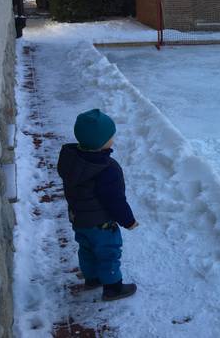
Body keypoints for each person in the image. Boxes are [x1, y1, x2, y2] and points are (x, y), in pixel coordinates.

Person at [57, 109, 138, 301]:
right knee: (108, 253)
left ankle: (92, 279)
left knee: (86, 249)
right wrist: (128, 221)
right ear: (102, 141)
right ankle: (113, 288)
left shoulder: (71, 160)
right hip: (101, 224)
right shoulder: (107, 168)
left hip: (79, 219)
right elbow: (114, 200)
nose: (113, 138)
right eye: (111, 135)